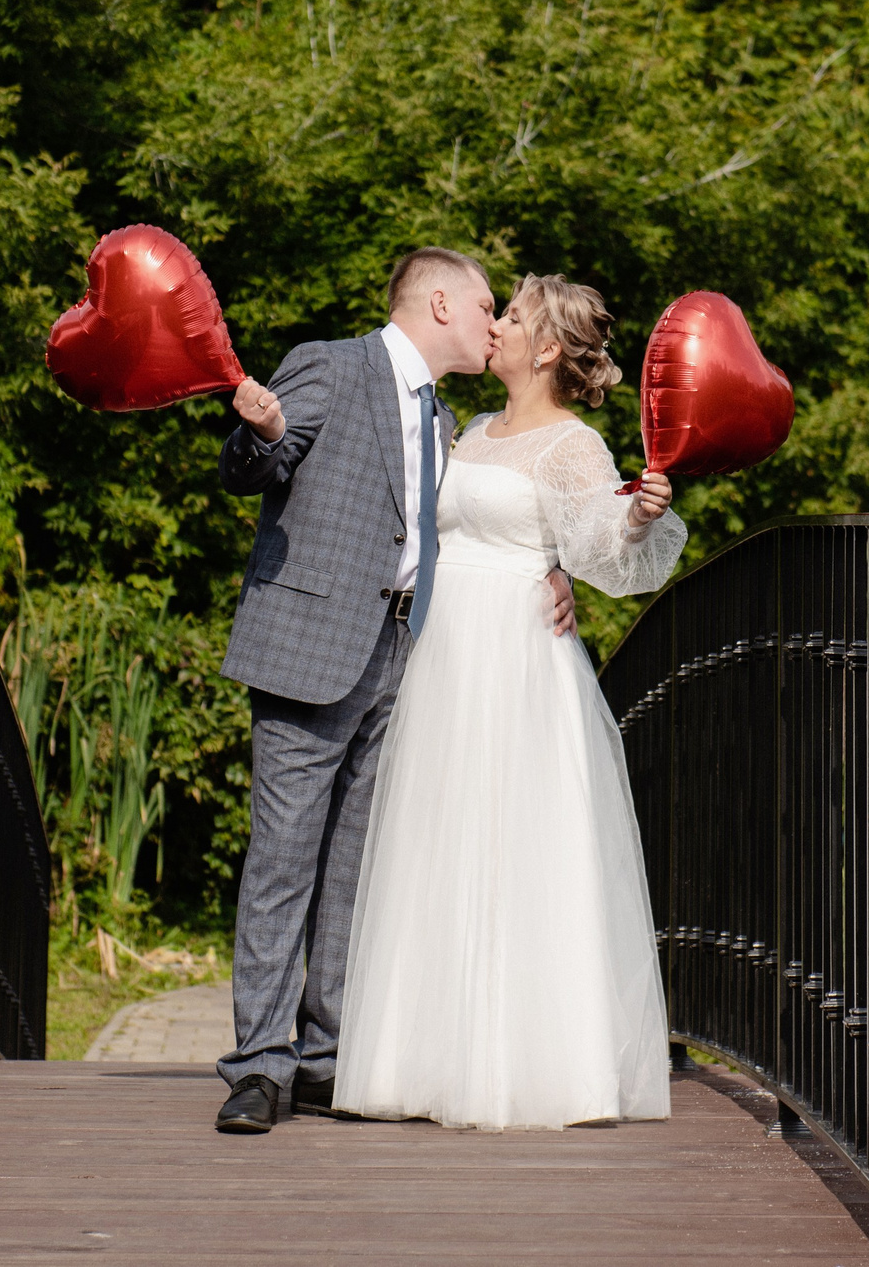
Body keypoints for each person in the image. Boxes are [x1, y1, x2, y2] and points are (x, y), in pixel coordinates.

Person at [211, 248, 577, 1134]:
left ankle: (328, 1057)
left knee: (355, 871)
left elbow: (468, 525)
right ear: (440, 300)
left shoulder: (447, 415)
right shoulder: (331, 365)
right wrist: (259, 431)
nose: (495, 324)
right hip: (308, 647)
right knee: (283, 862)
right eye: (488, 306)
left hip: (405, 653)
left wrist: (556, 565)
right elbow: (259, 465)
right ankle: (259, 1065)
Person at [334, 273, 687, 1130]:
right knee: (437, 841)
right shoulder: (473, 431)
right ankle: (412, 1061)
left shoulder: (573, 445)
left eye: (514, 316)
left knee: (520, 848)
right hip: (445, 656)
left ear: (549, 349)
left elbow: (601, 546)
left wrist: (635, 520)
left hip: (519, 663)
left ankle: (535, 1066)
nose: (496, 326)